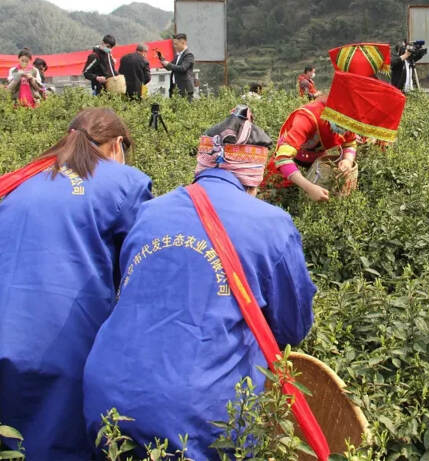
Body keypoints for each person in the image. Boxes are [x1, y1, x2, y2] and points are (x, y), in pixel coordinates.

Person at [82, 105, 315, 460]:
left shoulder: (148, 213)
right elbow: (291, 327)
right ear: (255, 177)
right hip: (197, 413)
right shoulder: (272, 224)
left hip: (106, 395)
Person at [0, 108, 153, 461]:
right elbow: (137, 268)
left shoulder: (23, 181)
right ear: (116, 145)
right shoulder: (126, 182)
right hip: (52, 333)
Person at [264, 71, 406, 201]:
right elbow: (283, 159)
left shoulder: (346, 118)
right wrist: (308, 187)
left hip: (315, 160)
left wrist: (347, 160)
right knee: (280, 196)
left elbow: (350, 142)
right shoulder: (308, 117)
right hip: (290, 162)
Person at [159, 33, 195, 100]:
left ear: (183, 42)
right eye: (174, 44)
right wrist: (163, 60)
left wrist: (168, 64)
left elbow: (183, 68)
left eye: (176, 44)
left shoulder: (189, 55)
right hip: (175, 87)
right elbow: (170, 67)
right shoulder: (178, 55)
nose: (174, 46)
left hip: (185, 89)